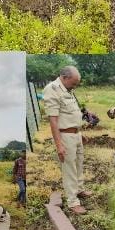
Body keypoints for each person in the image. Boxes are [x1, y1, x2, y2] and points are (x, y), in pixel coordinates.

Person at [43, 66, 92, 214]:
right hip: (65, 136)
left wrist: (79, 132)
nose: (75, 86)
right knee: (69, 169)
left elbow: (72, 113)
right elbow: (53, 120)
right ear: (64, 77)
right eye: (74, 82)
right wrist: (59, 145)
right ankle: (72, 202)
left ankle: (79, 189)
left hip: (75, 134)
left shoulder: (68, 90)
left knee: (78, 164)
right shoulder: (52, 89)